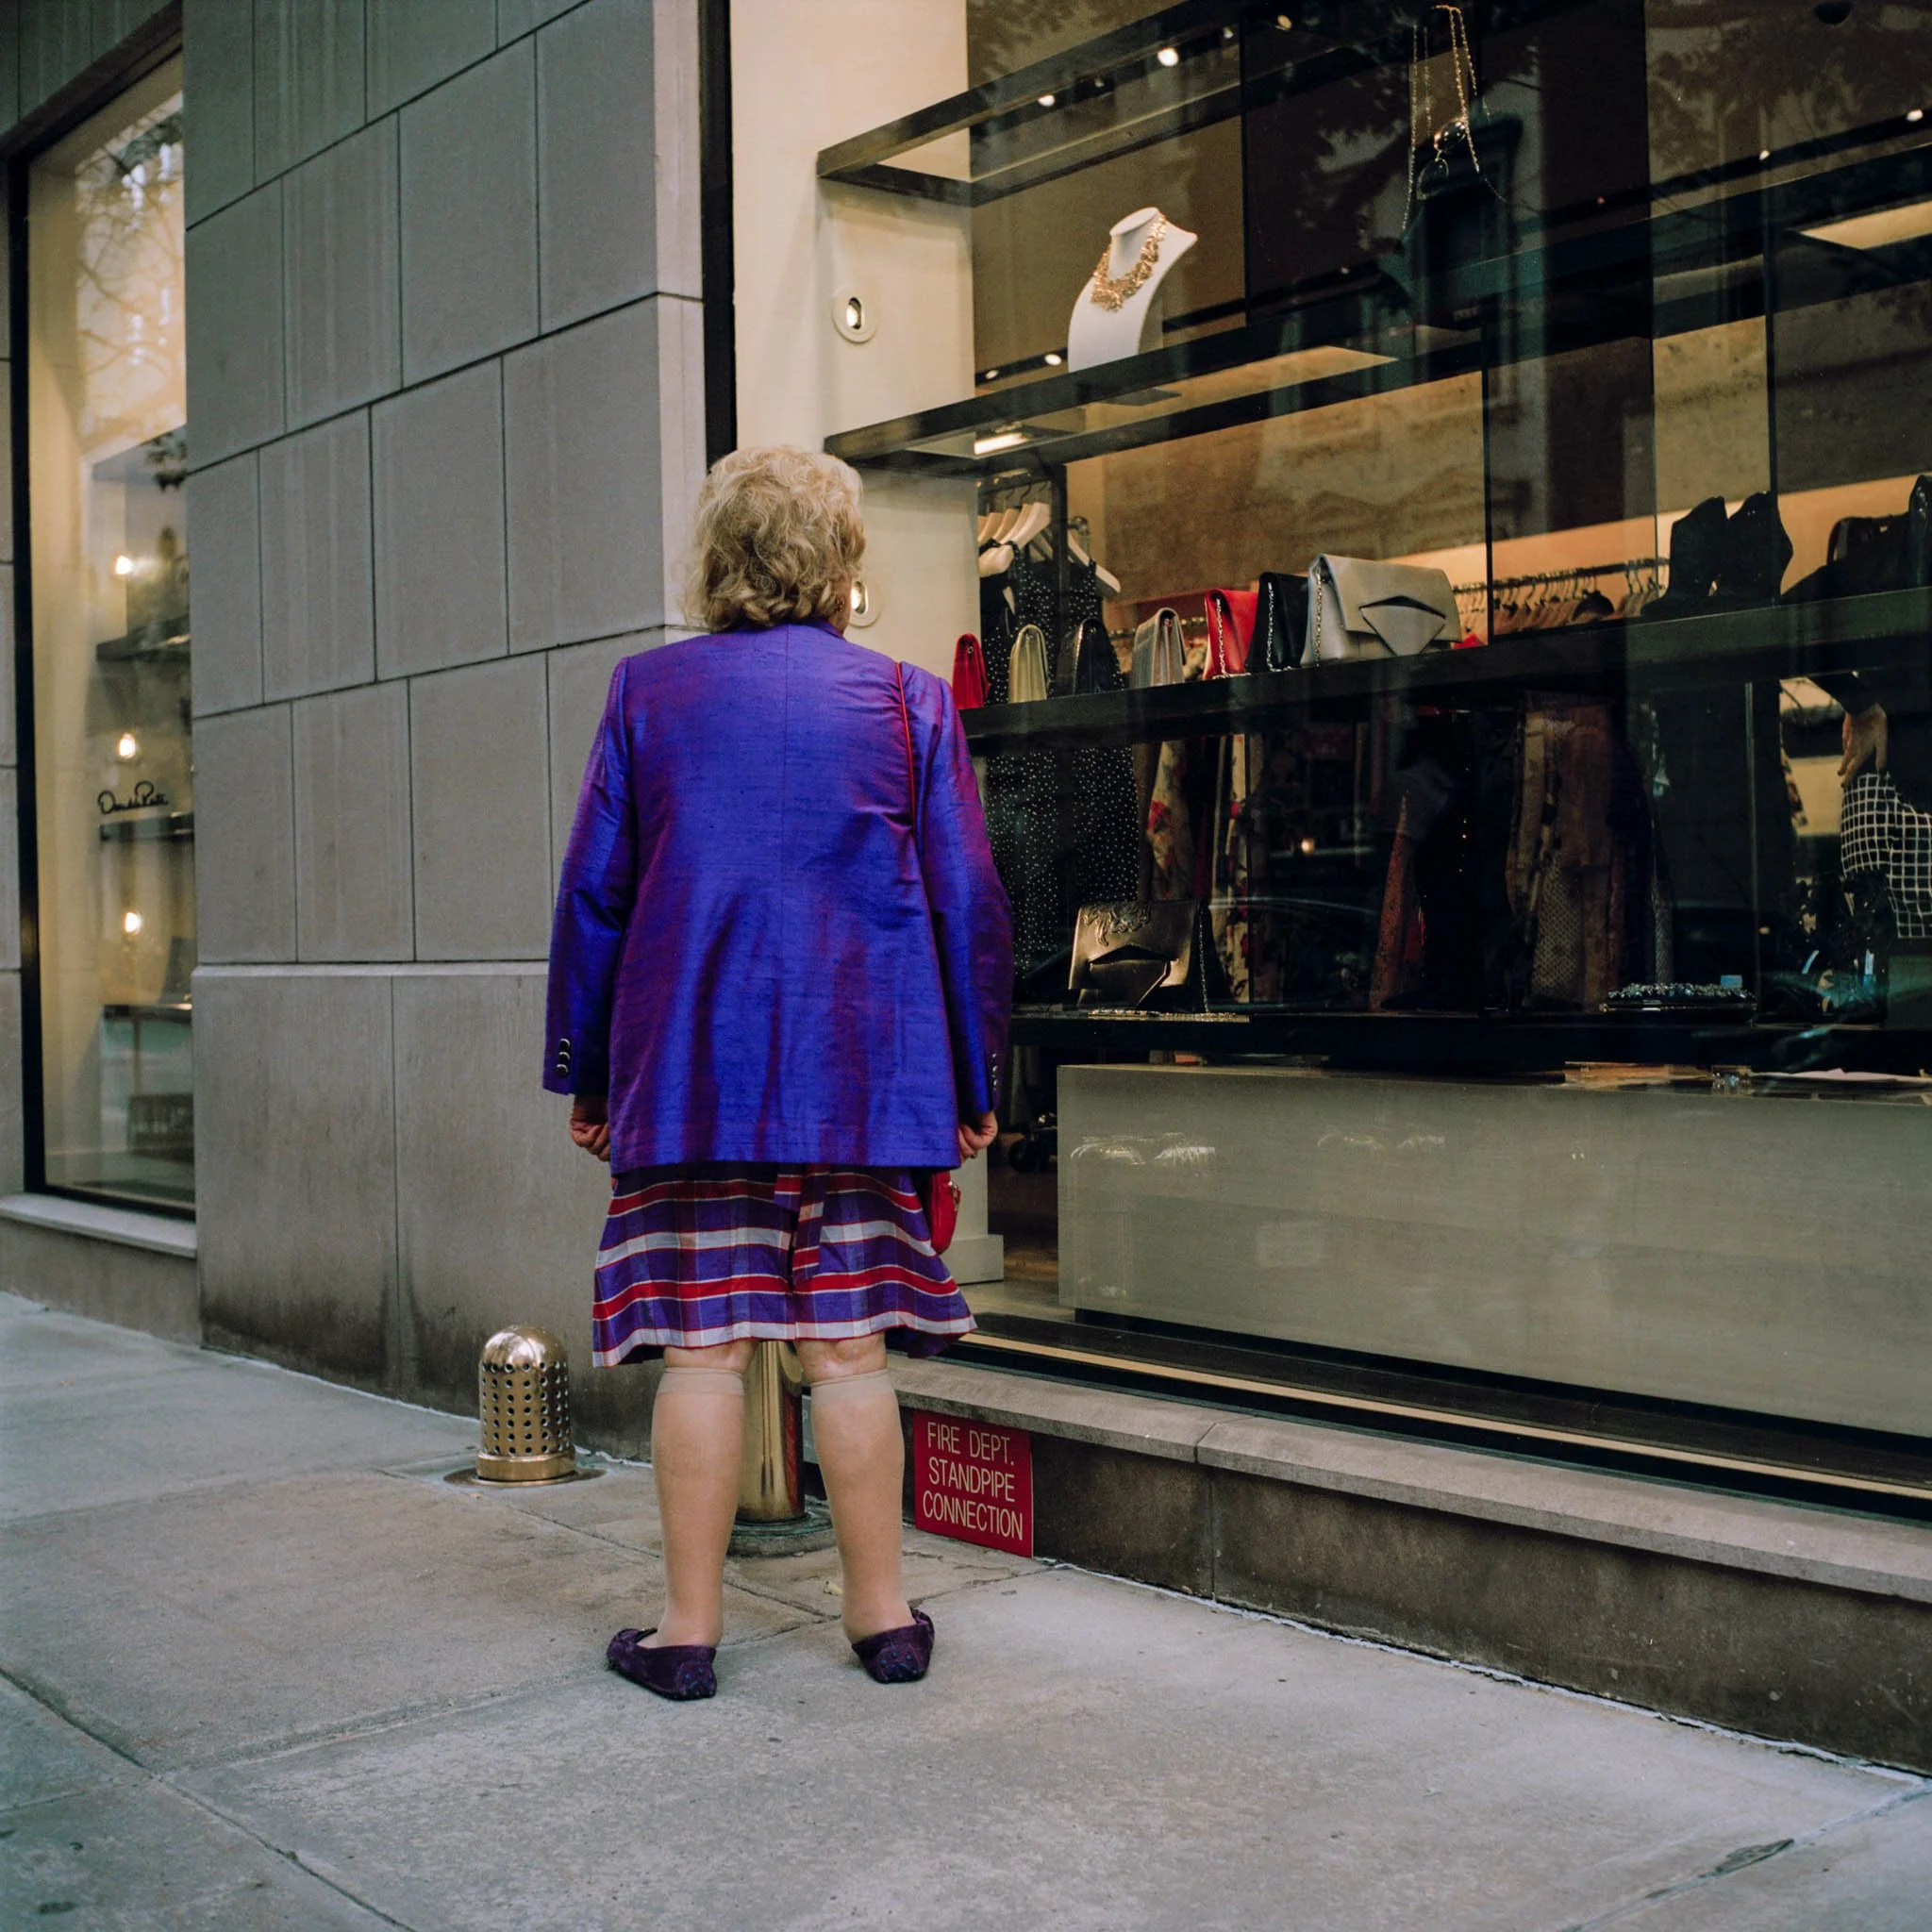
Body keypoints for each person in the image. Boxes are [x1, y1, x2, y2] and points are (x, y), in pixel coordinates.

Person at [543, 446, 1011, 1700]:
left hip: (690, 1078)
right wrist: (972, 1080)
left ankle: (687, 1636)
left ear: (717, 560)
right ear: (842, 566)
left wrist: (589, 1075)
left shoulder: (646, 696)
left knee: (702, 1354)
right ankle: (885, 1622)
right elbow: (969, 904)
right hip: (862, 1084)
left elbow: (598, 897)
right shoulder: (910, 703)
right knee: (850, 1354)